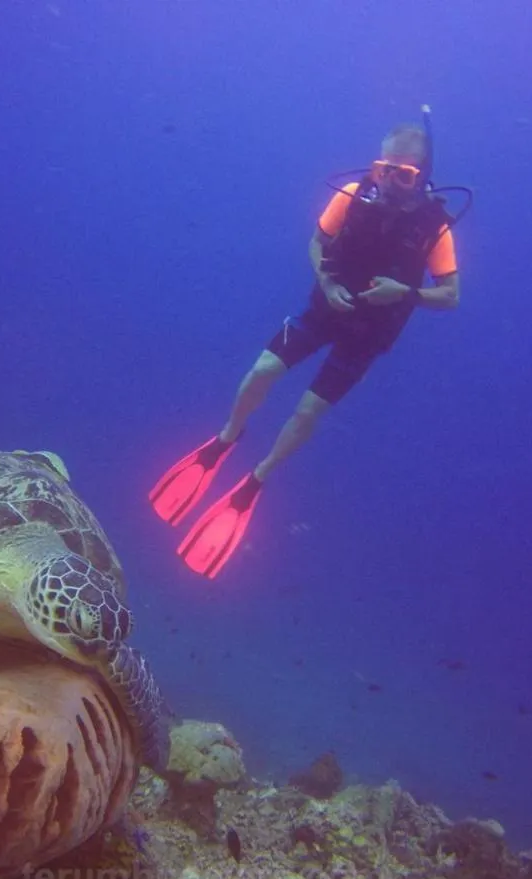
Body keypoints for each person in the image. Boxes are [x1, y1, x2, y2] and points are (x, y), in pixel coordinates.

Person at [150, 105, 467, 578]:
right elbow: (318, 242)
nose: (387, 181)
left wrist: (405, 293)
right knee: (262, 369)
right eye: (383, 168)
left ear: (421, 177)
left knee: (307, 411)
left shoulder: (433, 227)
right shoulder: (353, 196)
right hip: (323, 310)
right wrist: (326, 280)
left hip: (369, 336)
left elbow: (451, 295)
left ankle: (256, 481)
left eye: (402, 174)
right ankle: (226, 438)